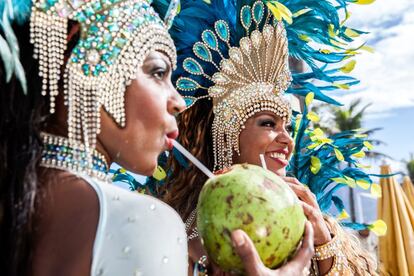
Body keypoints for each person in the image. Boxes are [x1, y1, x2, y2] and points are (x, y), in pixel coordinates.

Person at [0, 0, 313, 275]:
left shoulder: (16, 202)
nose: (178, 101)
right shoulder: (144, 222)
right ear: (86, 59)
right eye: (158, 72)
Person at [161, 0, 378, 275]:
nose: (287, 140)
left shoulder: (315, 225)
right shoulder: (174, 230)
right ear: (228, 134)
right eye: (268, 123)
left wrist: (323, 246)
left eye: (287, 127)